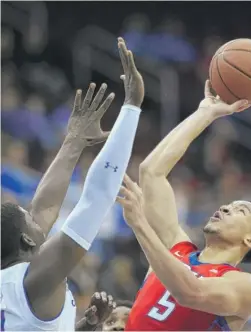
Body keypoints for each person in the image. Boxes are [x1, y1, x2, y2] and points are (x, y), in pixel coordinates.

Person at [1, 37, 144, 331]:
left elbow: (45, 205)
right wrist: (131, 108)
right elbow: (98, 198)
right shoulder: (34, 280)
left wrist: (74, 141)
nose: (35, 213)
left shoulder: (15, 285)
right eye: (29, 218)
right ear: (27, 241)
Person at [117, 82, 251, 331]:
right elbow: (151, 172)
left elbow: (190, 292)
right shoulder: (176, 248)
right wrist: (206, 113)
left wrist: (140, 224)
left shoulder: (245, 285)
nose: (225, 208)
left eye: (239, 210)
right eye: (228, 205)